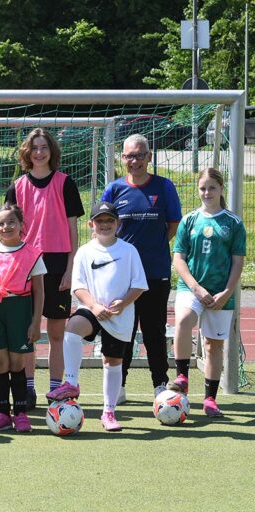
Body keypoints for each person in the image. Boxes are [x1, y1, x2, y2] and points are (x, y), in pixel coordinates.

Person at [46, 202, 147, 432]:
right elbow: (78, 287)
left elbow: (139, 285)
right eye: (100, 221)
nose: (105, 225)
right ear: (91, 224)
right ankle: (71, 382)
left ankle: (109, 412)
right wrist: (93, 306)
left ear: (118, 224)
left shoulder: (129, 251)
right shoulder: (84, 251)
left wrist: (123, 303)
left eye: (109, 220)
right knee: (72, 329)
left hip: (119, 314)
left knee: (112, 362)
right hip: (92, 309)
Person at [5, 128, 84, 408]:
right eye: (34, 148)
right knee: (29, 331)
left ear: (52, 151)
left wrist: (70, 267)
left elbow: (73, 230)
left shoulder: (65, 183)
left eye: (44, 147)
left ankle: (55, 388)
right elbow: (7, 230)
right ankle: (28, 389)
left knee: (56, 333)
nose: (39, 152)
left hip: (58, 262)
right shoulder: (17, 186)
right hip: (26, 264)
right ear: (27, 152)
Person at [101, 134, 182, 401]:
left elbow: (172, 225)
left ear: (149, 156)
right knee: (121, 331)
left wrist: (150, 249)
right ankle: (119, 386)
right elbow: (102, 227)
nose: (134, 161)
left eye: (139, 155)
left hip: (154, 273)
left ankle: (160, 383)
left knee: (154, 332)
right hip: (120, 277)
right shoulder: (114, 190)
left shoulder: (164, 187)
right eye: (129, 156)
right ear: (122, 158)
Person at [167, 168, 245, 417]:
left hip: (221, 292)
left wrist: (226, 292)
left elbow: (238, 262)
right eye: (202, 188)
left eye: (212, 187)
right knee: (183, 320)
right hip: (191, 287)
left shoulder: (233, 223)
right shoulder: (189, 220)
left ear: (221, 189)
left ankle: (210, 399)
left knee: (213, 345)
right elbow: (178, 258)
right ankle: (182, 377)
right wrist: (195, 287)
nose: (207, 192)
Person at [0, 204, 46, 432]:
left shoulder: (32, 254)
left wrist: (35, 322)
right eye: (1, 223)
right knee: (0, 362)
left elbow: (39, 292)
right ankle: (2, 413)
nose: (6, 227)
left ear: (21, 224)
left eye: (11, 222)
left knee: (17, 362)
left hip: (20, 309)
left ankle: (21, 413)